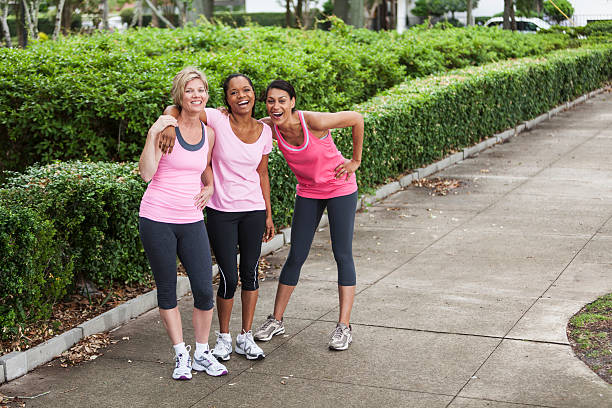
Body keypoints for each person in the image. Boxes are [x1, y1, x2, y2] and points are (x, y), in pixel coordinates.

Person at [159, 73, 274, 361]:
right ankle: (223, 337)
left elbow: (262, 173)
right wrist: (171, 125)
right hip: (222, 211)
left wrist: (269, 214)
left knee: (250, 273)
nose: (241, 96)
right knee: (228, 276)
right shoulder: (217, 120)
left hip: (254, 210)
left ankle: (245, 337)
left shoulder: (264, 131)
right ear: (226, 99)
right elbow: (178, 108)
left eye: (246, 90)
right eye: (233, 93)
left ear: (254, 94)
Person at [253, 80, 364, 351]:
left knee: (342, 254)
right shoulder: (268, 126)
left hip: (340, 188)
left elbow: (356, 119)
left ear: (292, 102)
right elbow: (236, 123)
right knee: (296, 254)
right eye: (270, 101)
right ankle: (276, 320)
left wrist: (355, 160)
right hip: (308, 192)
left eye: (282, 100)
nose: (276, 106)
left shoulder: (312, 121)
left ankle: (344, 327)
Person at [138, 67, 228, 380]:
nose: (196, 96)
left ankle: (202, 352)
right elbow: (147, 174)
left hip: (191, 220)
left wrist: (210, 185)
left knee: (204, 290)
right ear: (180, 95)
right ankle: (181, 355)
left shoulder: (209, 133)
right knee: (167, 291)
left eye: (201, 90)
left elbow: (202, 167)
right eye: (190, 90)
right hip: (157, 218)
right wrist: (153, 133)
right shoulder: (166, 128)